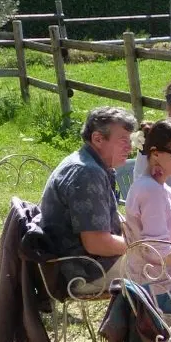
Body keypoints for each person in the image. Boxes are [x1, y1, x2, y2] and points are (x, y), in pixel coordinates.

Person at [39, 106, 136, 294]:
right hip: (83, 272)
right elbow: (97, 243)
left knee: (163, 259)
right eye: (123, 140)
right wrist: (139, 246)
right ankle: (161, 322)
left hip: (82, 263)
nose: (129, 147)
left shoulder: (87, 162)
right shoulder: (86, 172)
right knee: (165, 269)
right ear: (98, 139)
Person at [124, 119, 171, 312]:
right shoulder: (150, 191)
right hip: (159, 291)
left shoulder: (162, 188)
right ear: (155, 153)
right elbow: (156, 251)